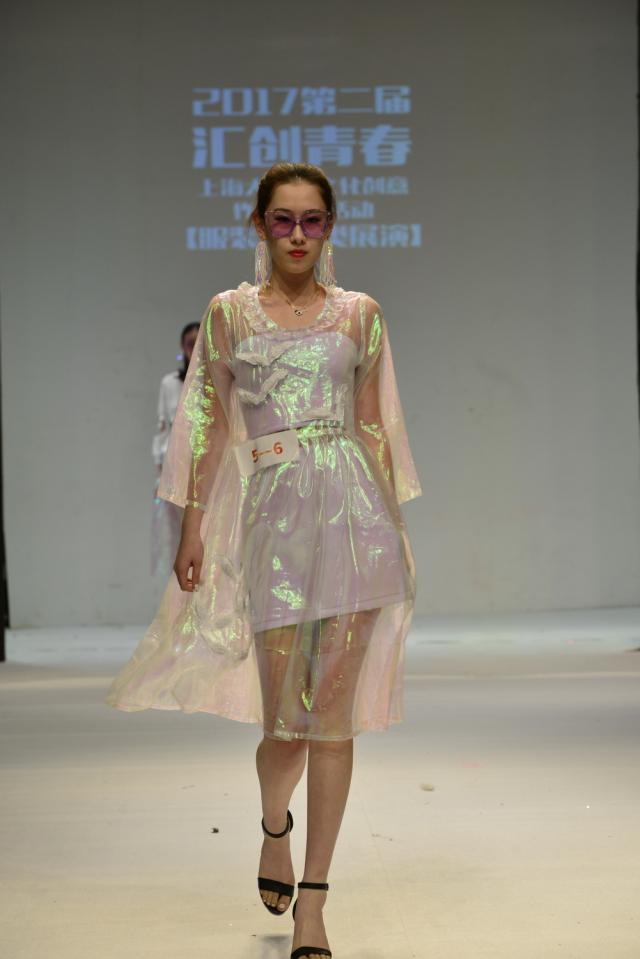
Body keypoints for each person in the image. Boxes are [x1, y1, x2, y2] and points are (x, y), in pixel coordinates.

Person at [105, 161, 422, 959]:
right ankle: (274, 825)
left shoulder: (360, 314)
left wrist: (395, 526)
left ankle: (314, 904)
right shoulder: (229, 314)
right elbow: (207, 425)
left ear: (330, 226)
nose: (298, 235)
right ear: (259, 224)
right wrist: (191, 526)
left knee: (334, 721)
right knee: (286, 726)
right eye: (284, 220)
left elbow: (373, 424)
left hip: (355, 518)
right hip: (274, 521)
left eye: (313, 220)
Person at [151, 322, 200, 580]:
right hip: (176, 472)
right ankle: (180, 595)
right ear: (182, 347)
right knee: (176, 539)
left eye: (198, 343)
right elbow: (162, 430)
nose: (194, 349)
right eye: (190, 344)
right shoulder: (170, 384)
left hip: (206, 472)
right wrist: (159, 475)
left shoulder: (216, 380)